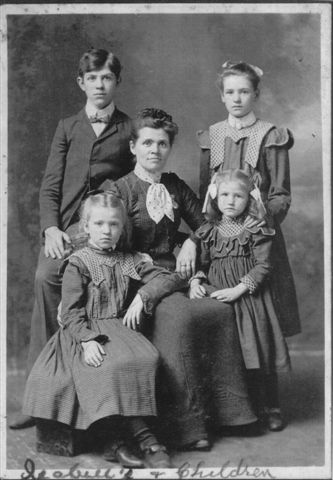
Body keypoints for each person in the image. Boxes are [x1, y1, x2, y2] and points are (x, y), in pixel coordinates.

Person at [109, 108, 257, 451]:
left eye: (162, 144)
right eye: (147, 142)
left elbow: (207, 222)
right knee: (180, 317)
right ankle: (188, 427)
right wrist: (154, 285)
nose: (155, 150)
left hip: (177, 272)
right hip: (137, 279)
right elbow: (116, 251)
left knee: (219, 309)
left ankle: (229, 414)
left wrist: (190, 241)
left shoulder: (174, 184)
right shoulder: (120, 190)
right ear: (133, 147)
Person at [11, 48, 134, 429]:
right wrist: (51, 228)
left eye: (107, 77)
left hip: (103, 231)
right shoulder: (67, 126)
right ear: (81, 83)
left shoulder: (129, 129)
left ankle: (92, 394)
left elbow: (130, 185)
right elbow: (50, 185)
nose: (100, 84)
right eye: (93, 78)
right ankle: (41, 393)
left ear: (117, 82)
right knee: (45, 278)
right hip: (64, 229)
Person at [22, 192, 189, 468]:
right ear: (86, 226)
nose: (106, 231)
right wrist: (87, 341)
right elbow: (71, 312)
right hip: (82, 332)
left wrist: (145, 293)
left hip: (116, 327)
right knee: (111, 365)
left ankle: (118, 441)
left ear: (121, 228)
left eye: (113, 224)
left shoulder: (129, 260)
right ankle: (141, 439)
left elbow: (169, 277)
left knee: (147, 357)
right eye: (99, 224)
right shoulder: (78, 263)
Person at [196, 61, 301, 431]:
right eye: (230, 91)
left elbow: (281, 194)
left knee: (260, 319)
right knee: (226, 322)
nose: (237, 98)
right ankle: (232, 403)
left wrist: (260, 221)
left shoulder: (270, 134)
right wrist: (204, 237)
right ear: (221, 95)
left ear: (256, 93)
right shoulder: (212, 135)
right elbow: (203, 195)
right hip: (221, 240)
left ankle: (269, 403)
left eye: (244, 91)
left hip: (259, 239)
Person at [190, 169, 291, 434]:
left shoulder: (255, 227)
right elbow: (203, 263)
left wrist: (239, 289)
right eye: (225, 195)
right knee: (229, 354)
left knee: (257, 349)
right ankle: (236, 410)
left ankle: (271, 407)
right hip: (218, 295)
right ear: (215, 196)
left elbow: (264, 265)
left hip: (248, 296)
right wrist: (196, 281)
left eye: (238, 196)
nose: (230, 201)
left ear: (249, 198)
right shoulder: (210, 230)